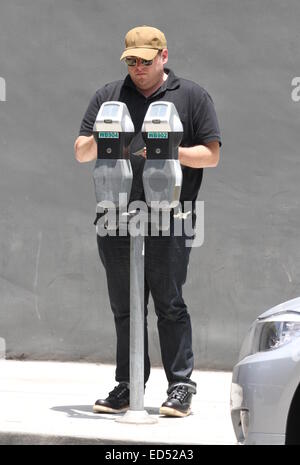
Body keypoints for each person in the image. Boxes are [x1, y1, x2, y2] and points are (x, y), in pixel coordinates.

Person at [74, 25, 221, 417]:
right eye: (132, 61)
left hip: (170, 216)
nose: (138, 68)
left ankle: (181, 387)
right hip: (116, 215)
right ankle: (128, 383)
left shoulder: (191, 96)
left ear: (164, 57)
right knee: (125, 305)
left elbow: (211, 155)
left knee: (169, 304)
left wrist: (169, 149)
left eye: (145, 60)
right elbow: (80, 152)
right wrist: (105, 139)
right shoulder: (109, 96)